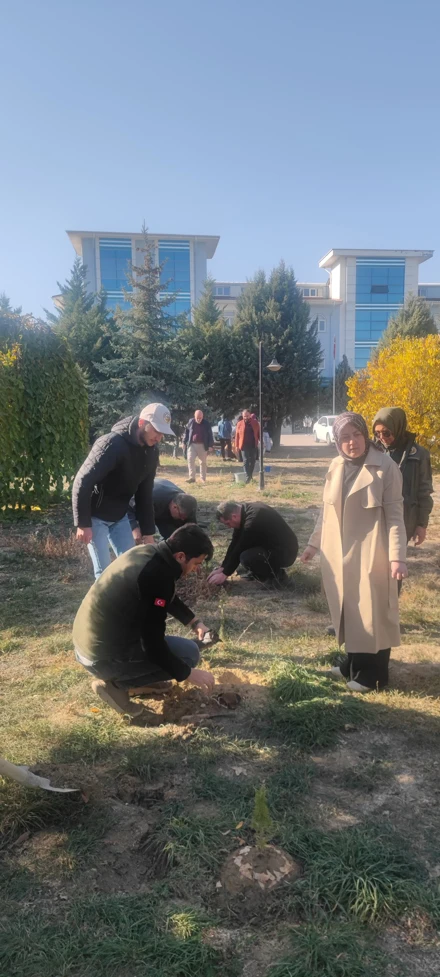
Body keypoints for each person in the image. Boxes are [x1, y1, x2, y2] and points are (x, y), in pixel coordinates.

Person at [301, 411, 407, 693]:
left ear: (365, 435)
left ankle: (372, 677)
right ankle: (352, 664)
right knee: (349, 610)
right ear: (337, 442)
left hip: (375, 552)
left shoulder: (385, 467)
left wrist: (397, 557)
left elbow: (396, 516)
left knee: (374, 613)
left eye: (356, 435)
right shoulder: (336, 466)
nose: (352, 443)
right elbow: (327, 512)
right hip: (340, 554)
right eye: (344, 437)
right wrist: (314, 544)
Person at [73, 524, 216, 720]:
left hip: (87, 646)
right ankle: (115, 686)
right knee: (188, 655)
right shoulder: (157, 576)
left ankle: (137, 682)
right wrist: (187, 674)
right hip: (101, 658)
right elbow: (152, 645)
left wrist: (194, 622)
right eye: (197, 564)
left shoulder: (149, 552)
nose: (196, 570)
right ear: (181, 556)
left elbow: (163, 597)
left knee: (182, 652)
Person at [72, 404, 173, 579]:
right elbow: (83, 480)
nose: (159, 437)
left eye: (162, 433)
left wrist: (148, 532)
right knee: (103, 573)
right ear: (142, 423)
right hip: (96, 518)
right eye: (156, 431)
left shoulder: (151, 452)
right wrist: (83, 523)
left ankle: (127, 603)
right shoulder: (112, 443)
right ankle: (102, 605)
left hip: (120, 516)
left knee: (131, 566)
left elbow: (145, 493)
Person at [372, 407, 433, 546]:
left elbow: (424, 492)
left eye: (386, 433)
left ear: (398, 428)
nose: (382, 438)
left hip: (403, 521)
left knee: (395, 563)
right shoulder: (373, 452)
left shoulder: (418, 455)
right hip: (375, 520)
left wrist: (421, 525)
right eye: (377, 433)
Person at [208, 501, 298, 585]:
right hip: (271, 546)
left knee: (247, 557)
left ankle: (277, 576)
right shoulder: (245, 513)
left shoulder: (254, 519)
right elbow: (235, 543)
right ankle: (259, 574)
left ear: (234, 516)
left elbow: (241, 546)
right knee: (246, 554)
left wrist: (225, 574)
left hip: (286, 552)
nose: (229, 527)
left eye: (228, 523)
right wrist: (223, 567)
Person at [129, 478, 197, 541]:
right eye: (181, 516)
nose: (183, 519)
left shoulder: (187, 506)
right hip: (136, 505)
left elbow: (192, 529)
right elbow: (128, 508)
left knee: (173, 538)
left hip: (163, 509)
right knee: (138, 536)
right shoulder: (151, 497)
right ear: (174, 507)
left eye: (185, 517)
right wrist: (134, 528)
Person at [183, 410, 214, 484]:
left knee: (202, 462)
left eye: (200, 418)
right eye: (197, 418)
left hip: (202, 445)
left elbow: (210, 435)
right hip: (192, 444)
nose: (199, 419)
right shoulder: (191, 422)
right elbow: (186, 432)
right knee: (190, 460)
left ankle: (202, 478)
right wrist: (184, 442)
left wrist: (210, 445)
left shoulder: (206, 424)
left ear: (202, 417)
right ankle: (192, 478)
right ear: (194, 416)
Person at [235, 409, 260, 483]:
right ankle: (247, 476)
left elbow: (258, 433)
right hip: (243, 445)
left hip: (253, 444)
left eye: (247, 416)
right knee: (246, 460)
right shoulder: (239, 423)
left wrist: (261, 441)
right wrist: (236, 445)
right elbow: (237, 436)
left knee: (252, 460)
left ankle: (250, 475)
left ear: (250, 415)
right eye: (244, 416)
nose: (245, 417)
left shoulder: (255, 423)